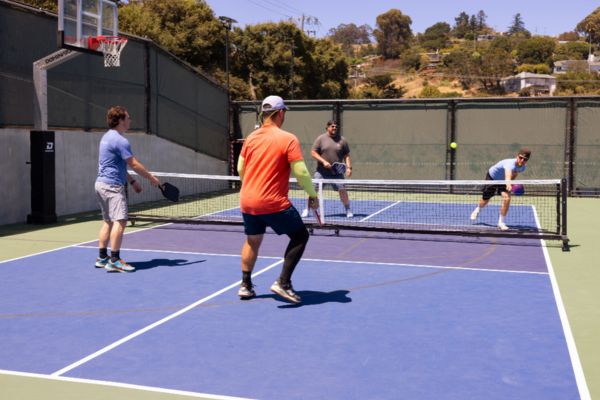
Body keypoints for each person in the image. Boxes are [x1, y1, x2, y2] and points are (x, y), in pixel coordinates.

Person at [237, 95, 319, 304]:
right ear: (280, 113)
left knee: (252, 240)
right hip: (273, 202)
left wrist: (253, 187)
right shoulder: (288, 139)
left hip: (247, 200)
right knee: (300, 236)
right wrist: (312, 194)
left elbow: (240, 169)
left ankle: (245, 285)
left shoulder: (251, 138)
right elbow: (300, 171)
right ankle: (283, 282)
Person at [94, 106, 160, 272]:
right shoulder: (121, 141)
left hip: (100, 184)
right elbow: (133, 163)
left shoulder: (106, 137)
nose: (130, 120)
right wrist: (150, 177)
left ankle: (102, 257)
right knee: (120, 221)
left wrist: (132, 181)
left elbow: (119, 165)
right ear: (120, 120)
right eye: (128, 118)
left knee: (108, 221)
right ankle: (114, 260)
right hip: (113, 187)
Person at [301, 120, 353, 218]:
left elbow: (346, 155)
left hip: (337, 173)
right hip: (321, 172)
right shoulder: (321, 139)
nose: (334, 128)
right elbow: (313, 152)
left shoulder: (342, 140)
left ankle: (348, 209)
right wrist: (323, 161)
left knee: (342, 190)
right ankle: (307, 209)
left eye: (336, 127)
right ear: (327, 127)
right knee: (312, 190)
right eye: (332, 126)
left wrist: (349, 168)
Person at [470, 148, 532, 231]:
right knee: (485, 200)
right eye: (520, 157)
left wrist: (511, 183)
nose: (522, 160)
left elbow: (515, 173)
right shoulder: (510, 164)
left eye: (525, 159)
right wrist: (508, 183)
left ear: (527, 160)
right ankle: (478, 209)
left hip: (503, 181)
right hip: (492, 177)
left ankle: (501, 223)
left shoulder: (522, 167)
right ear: (517, 156)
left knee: (507, 198)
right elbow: (508, 175)